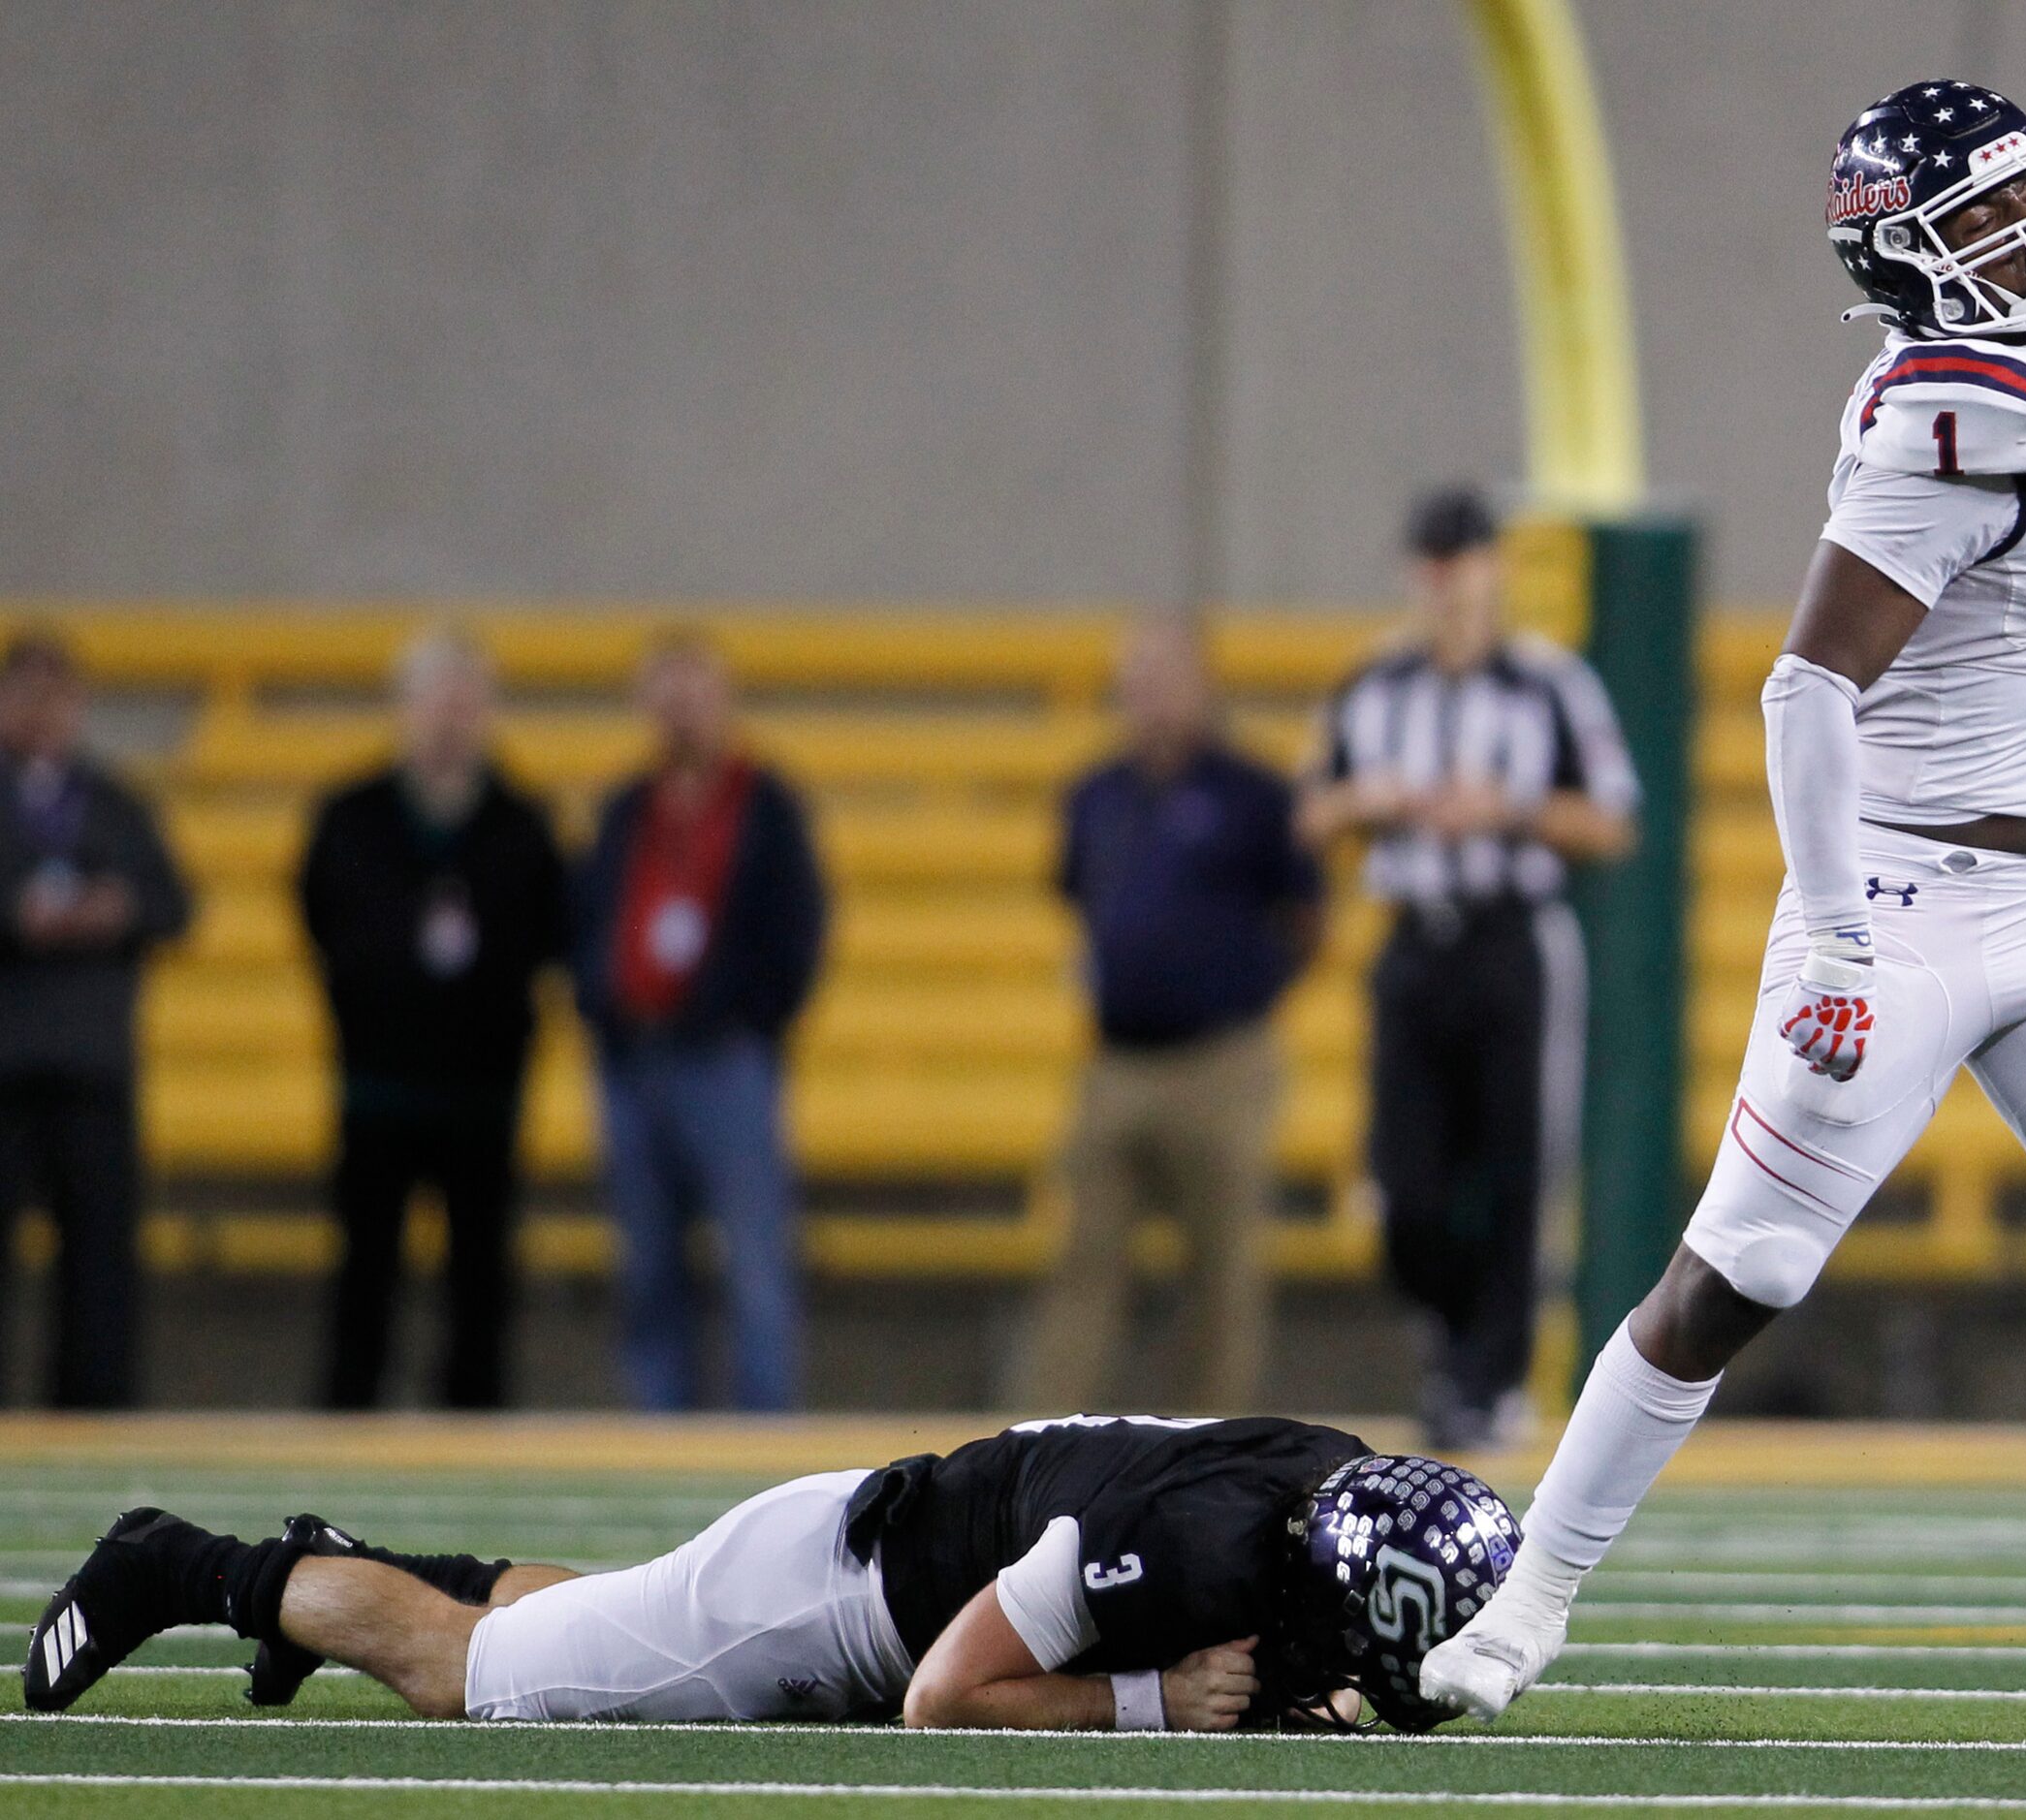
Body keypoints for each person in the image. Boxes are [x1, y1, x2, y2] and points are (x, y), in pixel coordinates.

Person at [1423, 81, 2026, 1760]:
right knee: (1739, 1270)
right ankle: (1523, 1606)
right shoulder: (1943, 421)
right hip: (1912, 899)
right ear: (1911, 273)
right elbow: (1804, 692)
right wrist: (1836, 943)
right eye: (1990, 224)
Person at [24, 1414, 1518, 1736]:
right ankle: (193, 1566)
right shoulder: (1190, 1545)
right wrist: (1148, 1699)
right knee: (475, 1679)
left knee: (602, 1625)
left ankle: (358, 1569)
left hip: (871, 1551)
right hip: (842, 1601)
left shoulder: (1327, 1475)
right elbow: (943, 1700)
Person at [1297, 486, 1638, 1452]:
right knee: (1406, 1185)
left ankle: (1483, 1382)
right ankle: (1452, 1344)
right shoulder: (1373, 685)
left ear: (1494, 570)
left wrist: (1509, 809)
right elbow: (1311, 813)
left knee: (1517, 1165)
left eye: (1464, 562)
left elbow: (1609, 819)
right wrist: (1370, 800)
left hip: (1509, 939)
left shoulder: (1547, 685)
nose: (1448, 586)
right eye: (1434, 565)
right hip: (1411, 941)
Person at [1023, 616, 1323, 1413]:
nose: (1149, 698)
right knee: (1083, 1261)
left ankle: (1209, 1439)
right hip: (1116, 1061)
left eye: (1166, 679)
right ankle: (1055, 1438)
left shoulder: (1254, 794)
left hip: (1219, 1061)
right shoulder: (1096, 793)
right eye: (1137, 680)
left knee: (1222, 1271)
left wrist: (1244, 991)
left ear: (1203, 687)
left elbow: (1307, 918)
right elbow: (1077, 900)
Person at [297, 630, 569, 1410]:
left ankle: (476, 1427)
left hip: (483, 1093)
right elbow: (322, 920)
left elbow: (549, 934)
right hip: (377, 1087)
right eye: (437, 701)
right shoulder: (352, 816)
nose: (452, 719)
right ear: (405, 708)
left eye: (467, 702)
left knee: (480, 1283)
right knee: (365, 1277)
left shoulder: (522, 823)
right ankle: (346, 1427)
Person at [574, 632, 827, 1412]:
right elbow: (589, 920)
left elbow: (798, 927)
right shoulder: (626, 808)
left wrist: (749, 1016)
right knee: (648, 1268)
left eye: (696, 690)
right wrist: (604, 1013)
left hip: (726, 1061)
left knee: (754, 1265)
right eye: (666, 691)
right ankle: (661, 1426)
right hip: (636, 1059)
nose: (681, 710)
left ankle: (764, 1441)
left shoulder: (767, 806)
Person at [0, 632, 191, 1408]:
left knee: (101, 1267)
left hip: (91, 1063)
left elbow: (174, 904)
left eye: (60, 694)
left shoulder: (113, 802)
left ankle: (96, 1417)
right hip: (6, 1064)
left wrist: (119, 908)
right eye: (28, 693)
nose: (46, 712)